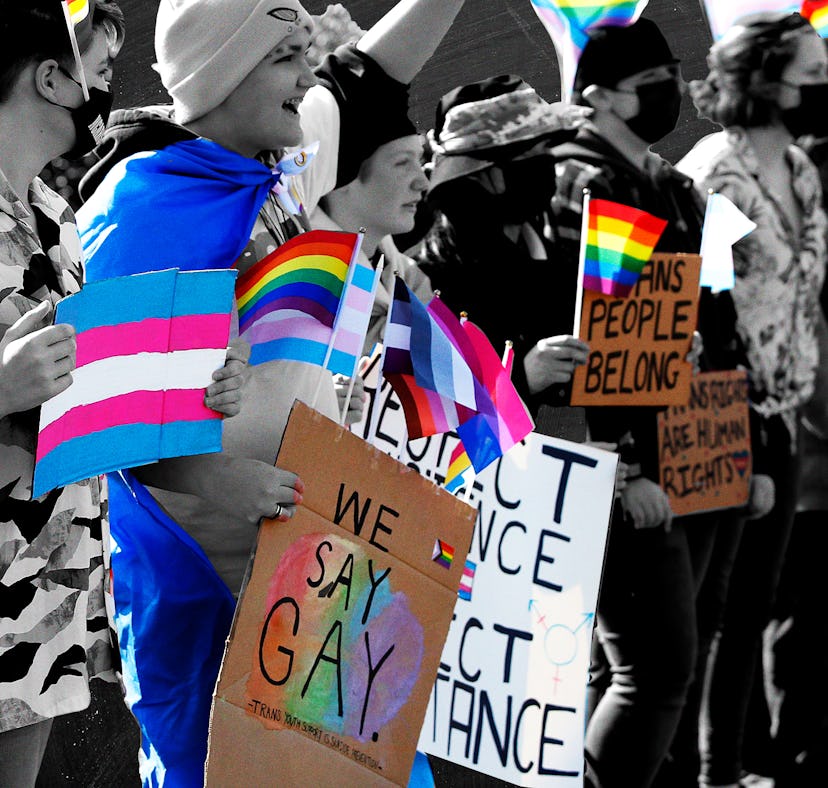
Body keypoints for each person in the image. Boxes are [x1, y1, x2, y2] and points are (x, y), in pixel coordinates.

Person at [76, 0, 469, 784]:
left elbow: (377, 70)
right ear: (225, 76)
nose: (307, 73)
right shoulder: (144, 206)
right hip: (203, 582)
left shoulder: (274, 162)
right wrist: (225, 480)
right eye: (286, 57)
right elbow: (93, 410)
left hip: (310, 563)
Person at [549, 19, 745, 788]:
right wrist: (627, 470)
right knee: (648, 669)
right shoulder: (584, 183)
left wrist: (733, 455)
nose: (668, 87)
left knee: (665, 664)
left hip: (693, 447)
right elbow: (607, 344)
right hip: (631, 461)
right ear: (597, 97)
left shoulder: (669, 184)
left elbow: (710, 317)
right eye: (652, 77)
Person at [678, 13, 828, 787]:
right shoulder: (718, 176)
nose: (826, 90)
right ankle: (704, 768)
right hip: (722, 411)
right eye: (813, 77)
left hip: (787, 407)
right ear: (766, 83)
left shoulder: (800, 171)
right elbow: (702, 302)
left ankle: (729, 769)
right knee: (712, 607)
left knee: (761, 601)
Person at [419, 75, 592, 421]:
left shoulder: (553, 256)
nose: (547, 163)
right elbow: (436, 414)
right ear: (482, 173)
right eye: (529, 154)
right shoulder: (430, 281)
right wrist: (522, 379)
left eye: (547, 149)